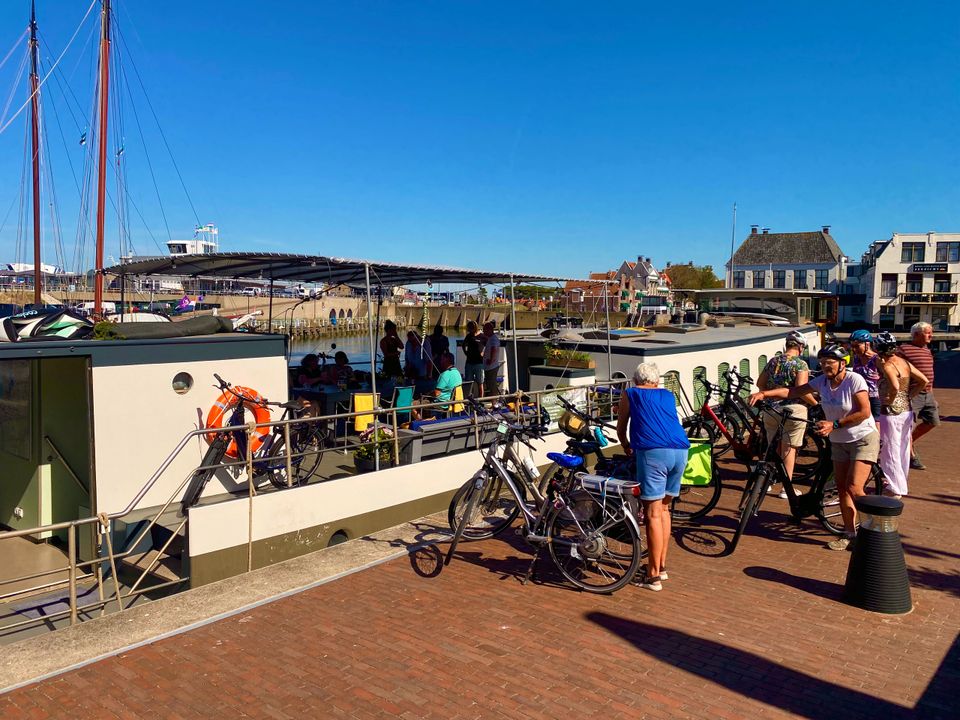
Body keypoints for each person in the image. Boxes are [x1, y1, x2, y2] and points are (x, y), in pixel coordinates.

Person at [750, 344, 879, 551]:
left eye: (830, 362)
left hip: (862, 437)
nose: (825, 366)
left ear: (842, 363)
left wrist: (834, 424)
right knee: (842, 488)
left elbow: (864, 412)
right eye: (822, 362)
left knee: (854, 487)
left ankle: (876, 528)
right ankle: (849, 534)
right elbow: (793, 391)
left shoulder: (854, 380)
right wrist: (764, 394)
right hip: (838, 441)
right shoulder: (822, 381)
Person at [616, 362, 690, 592]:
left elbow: (621, 427)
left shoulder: (631, 394)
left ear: (635, 380)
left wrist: (626, 445)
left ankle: (652, 575)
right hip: (681, 451)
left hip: (653, 453)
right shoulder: (667, 395)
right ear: (656, 381)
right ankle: (661, 566)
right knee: (664, 510)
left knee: (652, 515)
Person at [755, 331, 817, 498]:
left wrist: (771, 395)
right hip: (793, 410)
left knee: (771, 446)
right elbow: (801, 389)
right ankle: (786, 489)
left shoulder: (773, 361)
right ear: (801, 347)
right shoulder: (800, 364)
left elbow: (760, 383)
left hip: (771, 409)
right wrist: (815, 403)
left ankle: (765, 483)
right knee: (788, 449)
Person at [874, 332, 928, 498]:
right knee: (903, 448)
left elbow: (895, 386)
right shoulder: (904, 362)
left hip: (890, 413)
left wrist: (889, 400)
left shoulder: (888, 366)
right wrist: (909, 396)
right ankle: (901, 482)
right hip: (906, 410)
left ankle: (895, 488)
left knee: (890, 449)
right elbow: (924, 381)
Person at [897, 322, 938, 470]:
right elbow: (897, 370)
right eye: (927, 333)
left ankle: (908, 442)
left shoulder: (927, 350)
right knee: (908, 426)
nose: (931, 335)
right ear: (916, 334)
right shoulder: (903, 349)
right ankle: (911, 456)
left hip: (928, 393)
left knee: (932, 421)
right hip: (913, 394)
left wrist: (931, 392)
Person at [411, 352, 462, 420]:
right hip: (452, 402)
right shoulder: (457, 372)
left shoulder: (445, 374)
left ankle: (421, 422)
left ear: (447, 360)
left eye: (442, 359)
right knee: (425, 401)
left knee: (411, 405)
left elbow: (436, 393)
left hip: (441, 403)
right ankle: (428, 420)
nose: (440, 362)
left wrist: (427, 394)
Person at [849, 330, 882, 418]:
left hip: (874, 397)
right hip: (859, 396)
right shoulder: (856, 358)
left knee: (876, 421)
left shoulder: (877, 359)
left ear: (867, 344)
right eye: (852, 346)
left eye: (857, 346)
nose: (854, 349)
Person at [461, 320, 485, 396]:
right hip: (469, 363)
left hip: (479, 363)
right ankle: (469, 399)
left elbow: (488, 345)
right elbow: (463, 345)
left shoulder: (482, 336)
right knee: (468, 383)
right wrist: (466, 353)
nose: (469, 330)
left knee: (480, 382)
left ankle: (481, 399)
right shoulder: (469, 336)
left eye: (471, 328)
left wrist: (484, 353)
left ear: (475, 328)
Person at [481, 321, 502, 396]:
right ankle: (493, 400)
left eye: (484, 330)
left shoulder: (493, 339)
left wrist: (491, 360)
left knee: (492, 385)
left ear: (489, 330)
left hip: (492, 366)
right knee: (490, 384)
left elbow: (494, 349)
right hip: (489, 366)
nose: (483, 331)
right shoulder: (490, 338)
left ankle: (494, 401)